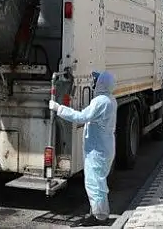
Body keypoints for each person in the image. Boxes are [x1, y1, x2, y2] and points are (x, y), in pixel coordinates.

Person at [48, 71, 117, 223]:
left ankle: (99, 217)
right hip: (103, 148)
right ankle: (97, 212)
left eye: (96, 80)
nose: (94, 82)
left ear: (102, 84)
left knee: (94, 184)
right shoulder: (110, 99)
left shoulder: (100, 101)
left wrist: (58, 108)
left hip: (98, 150)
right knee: (98, 182)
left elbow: (81, 117)